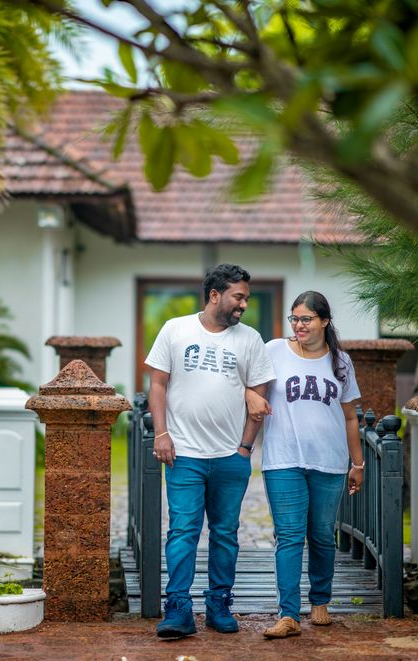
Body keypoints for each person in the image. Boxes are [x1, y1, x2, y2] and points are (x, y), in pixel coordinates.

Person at [145, 264, 275, 639]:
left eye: (247, 298)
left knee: (225, 533)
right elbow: (157, 384)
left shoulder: (249, 339)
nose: (244, 304)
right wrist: (162, 433)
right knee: (183, 530)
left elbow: (259, 396)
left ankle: (219, 604)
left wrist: (245, 447)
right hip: (183, 452)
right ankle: (178, 609)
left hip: (230, 456)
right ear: (215, 295)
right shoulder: (176, 329)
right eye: (238, 297)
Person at [249, 290, 365, 639]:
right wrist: (250, 396)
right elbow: (249, 386)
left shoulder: (340, 362)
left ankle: (320, 602)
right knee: (288, 536)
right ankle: (288, 614)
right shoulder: (273, 351)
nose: (299, 325)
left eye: (306, 319)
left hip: (329, 462)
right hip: (283, 459)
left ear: (324, 321)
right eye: (294, 318)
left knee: (321, 536)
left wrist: (357, 464)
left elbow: (349, 417)